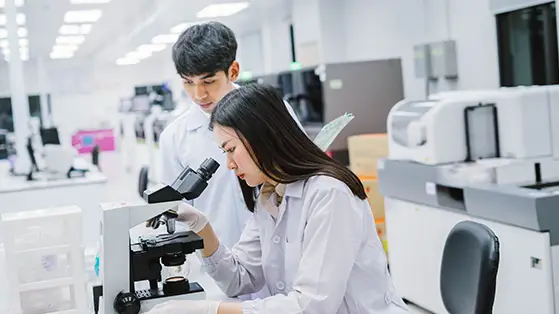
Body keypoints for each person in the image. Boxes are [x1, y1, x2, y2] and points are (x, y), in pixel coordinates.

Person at [147, 84, 409, 314]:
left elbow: (311, 306)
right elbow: (239, 278)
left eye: (231, 150)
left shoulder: (329, 193)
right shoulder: (270, 194)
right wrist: (201, 227)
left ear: (262, 138)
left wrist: (211, 310)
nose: (228, 164)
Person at [157, 21, 303, 250]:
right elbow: (175, 210)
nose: (198, 94)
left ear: (233, 71)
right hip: (219, 262)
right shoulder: (174, 137)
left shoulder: (274, 112)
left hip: (286, 249)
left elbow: (302, 175)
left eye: (208, 81)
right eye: (188, 83)